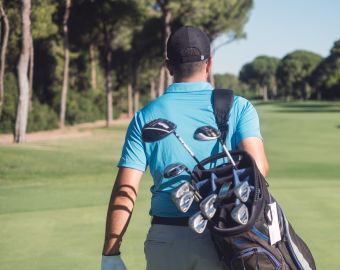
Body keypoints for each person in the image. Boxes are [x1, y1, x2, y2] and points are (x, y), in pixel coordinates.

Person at [101, 26, 269, 270]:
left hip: (166, 239)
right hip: (225, 238)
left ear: (167, 65)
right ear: (210, 63)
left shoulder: (145, 116)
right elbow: (259, 169)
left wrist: (110, 253)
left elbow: (125, 190)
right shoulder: (239, 107)